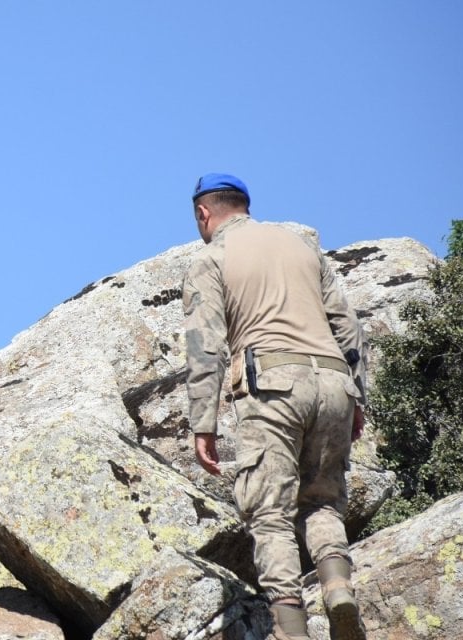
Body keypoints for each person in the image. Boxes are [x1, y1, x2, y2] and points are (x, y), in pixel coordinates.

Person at [181, 173, 368, 640]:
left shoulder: (212, 257)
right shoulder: (301, 247)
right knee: (323, 499)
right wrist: (358, 396)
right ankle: (338, 586)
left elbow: (206, 347)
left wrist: (203, 423)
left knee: (270, 512)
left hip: (273, 384)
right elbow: (347, 325)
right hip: (333, 382)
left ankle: (290, 626)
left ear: (204, 213)